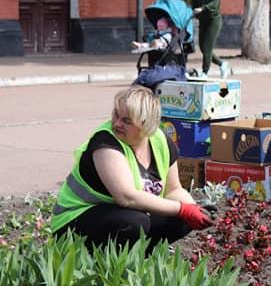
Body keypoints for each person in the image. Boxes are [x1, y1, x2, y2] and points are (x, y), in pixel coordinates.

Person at [50, 86, 213, 248]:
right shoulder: (105, 142)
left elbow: (173, 190)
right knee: (134, 223)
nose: (117, 123)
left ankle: (139, 259)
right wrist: (182, 209)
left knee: (181, 219)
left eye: (126, 121)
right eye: (116, 114)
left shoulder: (161, 141)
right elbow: (126, 197)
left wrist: (194, 209)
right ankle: (107, 263)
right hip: (74, 221)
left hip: (118, 214)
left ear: (146, 125)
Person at [192, 0, 230, 79]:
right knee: (203, 48)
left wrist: (203, 8)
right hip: (203, 19)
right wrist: (192, 8)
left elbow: (215, 3)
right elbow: (194, 0)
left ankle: (205, 73)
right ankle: (222, 64)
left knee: (207, 47)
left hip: (213, 20)